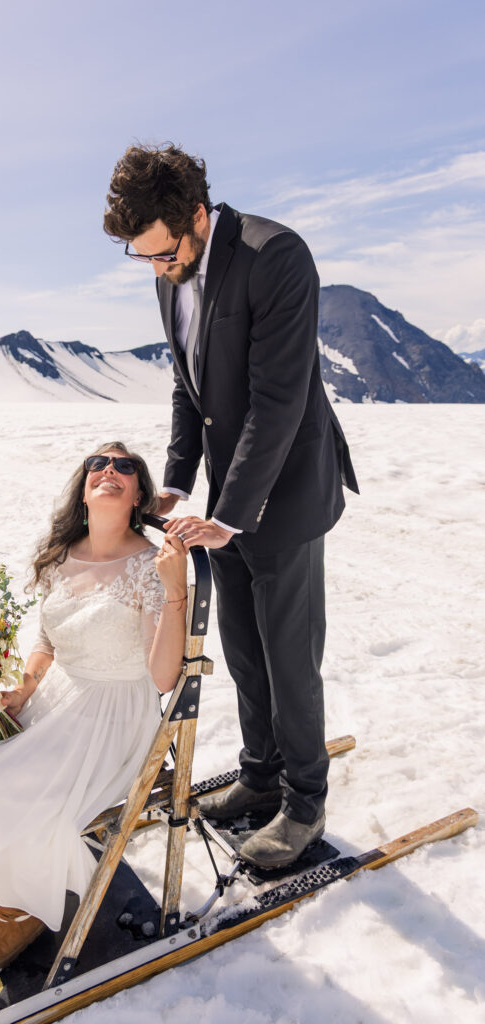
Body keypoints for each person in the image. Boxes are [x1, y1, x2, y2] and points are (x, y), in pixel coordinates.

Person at [103, 144, 359, 869]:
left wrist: (235, 511)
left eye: (162, 253)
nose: (157, 269)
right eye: (142, 259)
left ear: (193, 214)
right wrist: (178, 481)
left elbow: (278, 401)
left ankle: (304, 803)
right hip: (225, 497)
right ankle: (259, 776)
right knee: (244, 652)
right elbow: (189, 385)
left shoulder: (275, 255)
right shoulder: (171, 270)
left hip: (284, 494)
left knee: (288, 658)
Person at [0, 442, 188, 980]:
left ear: (140, 494)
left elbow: (164, 677)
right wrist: (22, 690)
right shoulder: (61, 553)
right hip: (57, 699)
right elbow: (48, 641)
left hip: (111, 712)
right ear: (83, 487)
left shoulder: (151, 564)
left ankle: (21, 905)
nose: (109, 471)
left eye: (125, 466)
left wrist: (174, 593)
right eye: (99, 463)